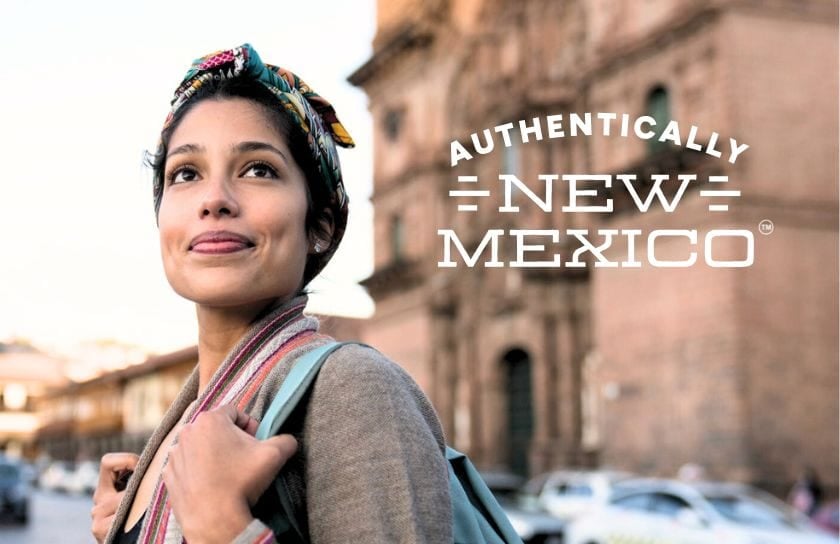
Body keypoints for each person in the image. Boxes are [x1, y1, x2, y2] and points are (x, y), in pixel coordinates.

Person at [90, 44, 452, 544]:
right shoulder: (177, 432)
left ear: (319, 227)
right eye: (186, 174)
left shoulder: (354, 390)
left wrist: (223, 526)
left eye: (258, 169)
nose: (214, 199)